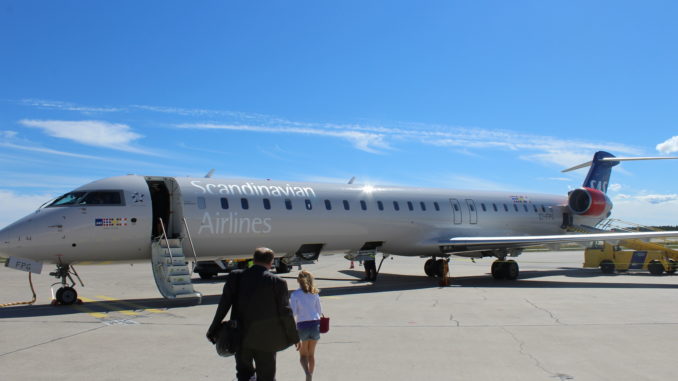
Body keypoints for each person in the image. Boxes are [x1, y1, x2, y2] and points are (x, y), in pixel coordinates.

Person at [207, 248, 299, 381]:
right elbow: (285, 312)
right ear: (271, 262)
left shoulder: (236, 277)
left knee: (244, 375)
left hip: (240, 337)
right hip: (267, 341)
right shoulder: (278, 282)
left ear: (253, 260)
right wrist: (294, 336)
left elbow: (224, 305)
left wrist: (213, 329)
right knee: (267, 376)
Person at [289, 270, 323, 381]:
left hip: (302, 325)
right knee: (311, 355)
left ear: (298, 281)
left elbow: (293, 313)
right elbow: (319, 310)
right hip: (315, 324)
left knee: (303, 355)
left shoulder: (295, 295)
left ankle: (307, 373)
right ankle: (311, 376)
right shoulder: (315, 293)